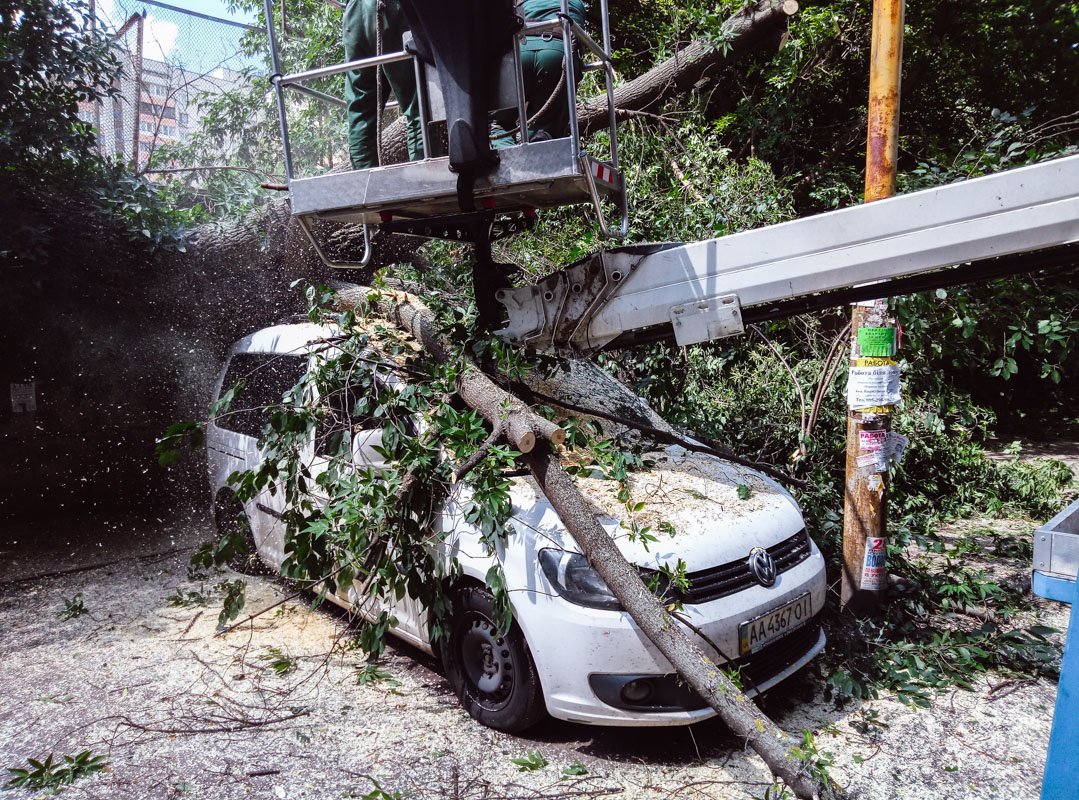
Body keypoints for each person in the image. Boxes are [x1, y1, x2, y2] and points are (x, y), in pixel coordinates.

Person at [491, 0, 588, 147]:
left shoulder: (525, 1)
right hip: (558, 54)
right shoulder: (576, 3)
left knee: (497, 124)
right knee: (545, 128)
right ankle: (540, 144)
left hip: (520, 53)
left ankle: (505, 156)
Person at [343, 0, 425, 170]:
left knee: (361, 109)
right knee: (419, 104)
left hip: (356, 12)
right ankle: (426, 176)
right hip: (397, 7)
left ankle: (363, 179)